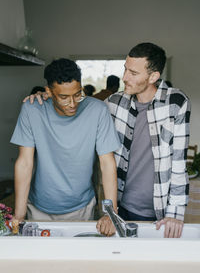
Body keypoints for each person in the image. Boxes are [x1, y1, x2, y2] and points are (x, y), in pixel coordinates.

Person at [11, 58, 121, 236]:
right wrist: (19, 214)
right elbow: (24, 163)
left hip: (82, 208)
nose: (72, 103)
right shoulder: (32, 109)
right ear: (49, 91)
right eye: (63, 97)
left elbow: (107, 164)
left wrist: (111, 213)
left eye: (78, 94)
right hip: (38, 208)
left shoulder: (98, 110)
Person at [104, 42, 191, 238]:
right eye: (125, 69)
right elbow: (76, 107)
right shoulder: (113, 103)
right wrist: (46, 97)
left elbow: (178, 162)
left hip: (161, 212)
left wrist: (175, 213)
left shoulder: (176, 103)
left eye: (133, 73)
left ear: (153, 77)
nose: (124, 77)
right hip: (120, 209)